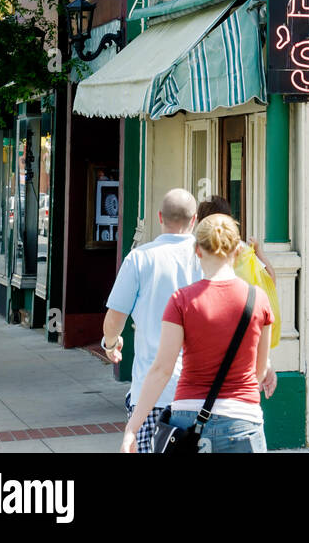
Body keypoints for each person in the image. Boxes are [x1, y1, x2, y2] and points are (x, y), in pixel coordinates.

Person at [121, 212, 273, 454]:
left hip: (188, 418)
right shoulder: (258, 299)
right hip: (242, 419)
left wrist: (132, 428)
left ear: (197, 251)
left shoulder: (181, 301)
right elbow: (260, 370)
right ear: (236, 251)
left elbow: (162, 369)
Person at [102, 188, 200, 454]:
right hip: (201, 394)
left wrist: (111, 344)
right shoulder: (207, 260)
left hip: (152, 393)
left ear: (159, 217)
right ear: (194, 220)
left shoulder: (139, 258)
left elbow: (114, 319)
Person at [198, 194, 278, 398]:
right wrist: (259, 251)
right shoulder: (243, 248)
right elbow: (270, 279)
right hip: (245, 330)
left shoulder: (199, 250)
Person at [197, 195, 277, 284]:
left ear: (199, 220)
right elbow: (270, 280)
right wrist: (257, 251)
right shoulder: (241, 247)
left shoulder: (193, 248)